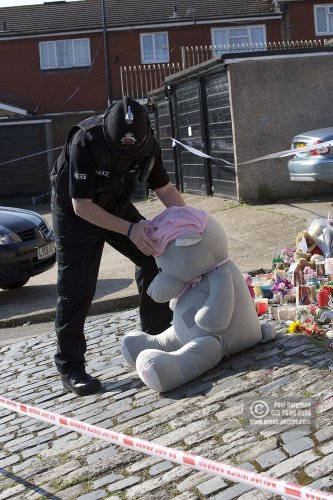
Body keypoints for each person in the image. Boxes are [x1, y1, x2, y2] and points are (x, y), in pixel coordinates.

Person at [50, 95, 185, 396]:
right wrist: (130, 229)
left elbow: (165, 189)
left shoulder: (147, 143)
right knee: (77, 286)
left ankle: (156, 339)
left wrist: (194, 225)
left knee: (155, 258)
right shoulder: (86, 140)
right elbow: (82, 206)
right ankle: (71, 366)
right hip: (76, 211)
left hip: (115, 204)